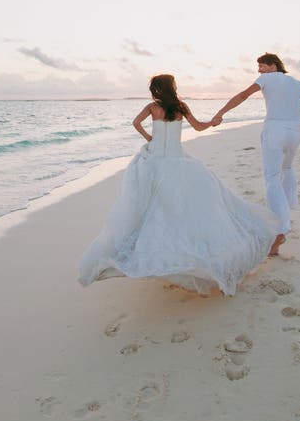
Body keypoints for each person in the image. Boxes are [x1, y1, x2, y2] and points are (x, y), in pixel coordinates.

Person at [78, 74, 280, 296]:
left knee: (153, 206)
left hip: (154, 161)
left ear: (156, 90)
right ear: (172, 88)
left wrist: (149, 138)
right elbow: (199, 127)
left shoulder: (152, 108)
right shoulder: (180, 107)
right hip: (177, 161)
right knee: (179, 208)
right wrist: (213, 122)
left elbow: (135, 123)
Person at [211, 53, 300, 255]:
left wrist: (221, 112)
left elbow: (243, 95)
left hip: (275, 130)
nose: (259, 70)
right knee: (286, 169)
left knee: (271, 177)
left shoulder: (266, 79)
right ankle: (286, 211)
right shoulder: (297, 83)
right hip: (295, 132)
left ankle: (279, 230)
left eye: (261, 66)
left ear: (273, 66)